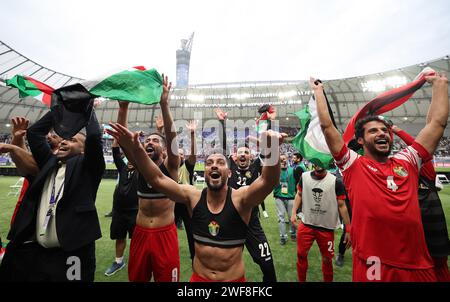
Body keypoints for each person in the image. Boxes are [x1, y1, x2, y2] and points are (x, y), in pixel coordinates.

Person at [311, 72, 449, 282]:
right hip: (373, 264)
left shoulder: (408, 161)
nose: (382, 133)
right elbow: (327, 127)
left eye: (384, 130)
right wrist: (318, 91)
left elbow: (437, 124)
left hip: (418, 265)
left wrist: (440, 85)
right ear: (360, 139)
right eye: (373, 131)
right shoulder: (353, 165)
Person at [107, 122, 285, 282]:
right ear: (204, 171)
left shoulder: (241, 199)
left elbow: (267, 182)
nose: (214, 165)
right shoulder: (192, 196)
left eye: (220, 162)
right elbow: (157, 179)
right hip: (198, 280)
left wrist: (273, 149)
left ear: (229, 173)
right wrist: (137, 148)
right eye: (209, 163)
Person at [0, 102, 105, 281]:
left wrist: (85, 108)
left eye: (72, 140)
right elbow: (34, 133)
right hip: (39, 254)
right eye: (63, 138)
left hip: (73, 255)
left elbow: (94, 137)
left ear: (84, 151)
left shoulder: (87, 168)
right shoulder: (49, 163)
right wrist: (62, 108)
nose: (64, 141)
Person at [118, 75, 181, 282]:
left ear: (163, 149)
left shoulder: (170, 167)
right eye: (148, 139)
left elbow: (172, 141)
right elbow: (124, 142)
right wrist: (123, 107)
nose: (150, 142)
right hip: (141, 233)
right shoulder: (140, 167)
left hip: (166, 234)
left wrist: (164, 104)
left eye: (156, 140)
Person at [214, 108, 277, 282]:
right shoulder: (230, 167)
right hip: (230, 221)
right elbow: (223, 145)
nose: (243, 154)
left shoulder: (256, 166)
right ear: (235, 157)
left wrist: (269, 122)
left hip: (252, 221)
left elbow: (268, 151)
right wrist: (221, 122)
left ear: (251, 156)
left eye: (246, 152)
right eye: (240, 152)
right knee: (223, 268)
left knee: (268, 266)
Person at [392, 125, 450, 282]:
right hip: (411, 232)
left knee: (439, 265)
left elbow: (418, 147)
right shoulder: (400, 177)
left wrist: (397, 130)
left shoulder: (427, 172)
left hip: (433, 228)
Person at [291, 164, 351, 282]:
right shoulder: (304, 177)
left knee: (327, 260)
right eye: (316, 160)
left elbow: (342, 205)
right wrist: (293, 213)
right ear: (312, 161)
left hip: (326, 228)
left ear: (326, 162)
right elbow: (299, 194)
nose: (318, 164)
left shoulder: (336, 181)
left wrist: (348, 227)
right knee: (301, 255)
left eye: (321, 161)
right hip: (306, 224)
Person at [105, 102, 139, 277]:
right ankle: (118, 261)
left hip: (135, 211)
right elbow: (116, 151)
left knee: (136, 240)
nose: (130, 158)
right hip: (119, 210)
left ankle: (135, 260)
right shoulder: (123, 168)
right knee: (119, 237)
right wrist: (116, 137)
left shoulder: (142, 169)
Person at [274, 154, 297, 245]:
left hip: (291, 197)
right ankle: (283, 236)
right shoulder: (275, 172)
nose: (283, 161)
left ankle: (293, 233)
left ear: (287, 159)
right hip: (279, 197)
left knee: (292, 217)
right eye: (281, 160)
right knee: (281, 217)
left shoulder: (293, 170)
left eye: (284, 159)